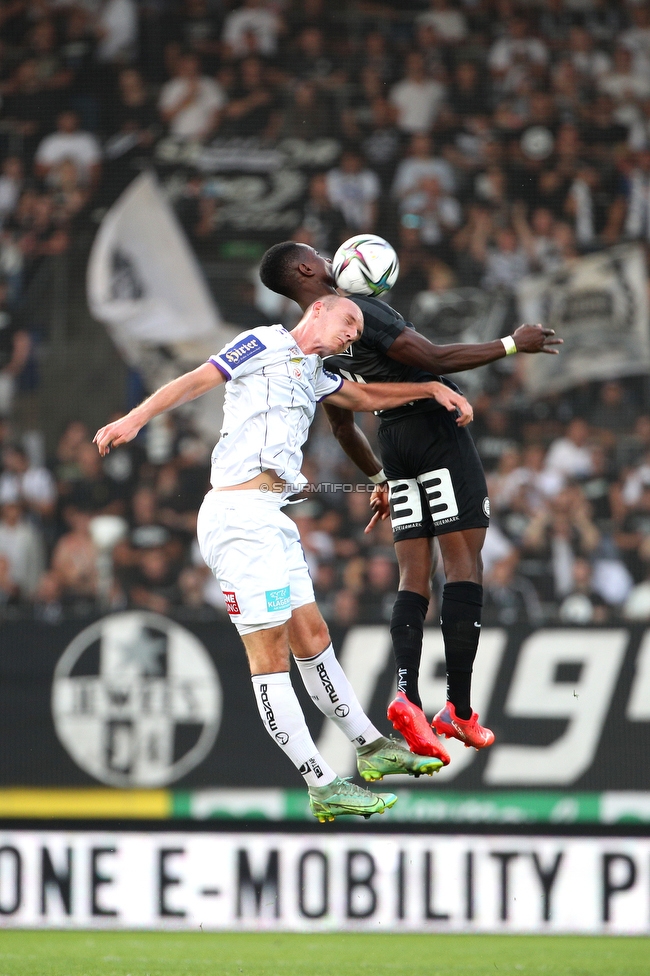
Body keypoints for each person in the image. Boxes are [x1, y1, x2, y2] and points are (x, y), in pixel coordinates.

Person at [94, 295, 474, 821]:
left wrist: (431, 387)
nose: (351, 335)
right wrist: (134, 419)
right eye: (349, 321)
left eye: (357, 330)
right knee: (269, 657)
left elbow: (363, 397)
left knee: (314, 638)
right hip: (237, 518)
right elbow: (195, 380)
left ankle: (369, 746)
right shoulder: (263, 343)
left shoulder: (316, 371)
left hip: (272, 519)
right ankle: (320, 782)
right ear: (317, 309)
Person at [258, 241, 561, 764]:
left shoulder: (309, 339)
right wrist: (514, 343)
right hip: (434, 433)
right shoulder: (359, 311)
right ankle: (459, 710)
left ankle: (408, 696)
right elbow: (435, 360)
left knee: (412, 575)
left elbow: (342, 424)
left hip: (393, 447)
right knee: (464, 563)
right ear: (307, 269)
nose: (331, 259)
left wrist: (376, 475)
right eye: (320, 255)